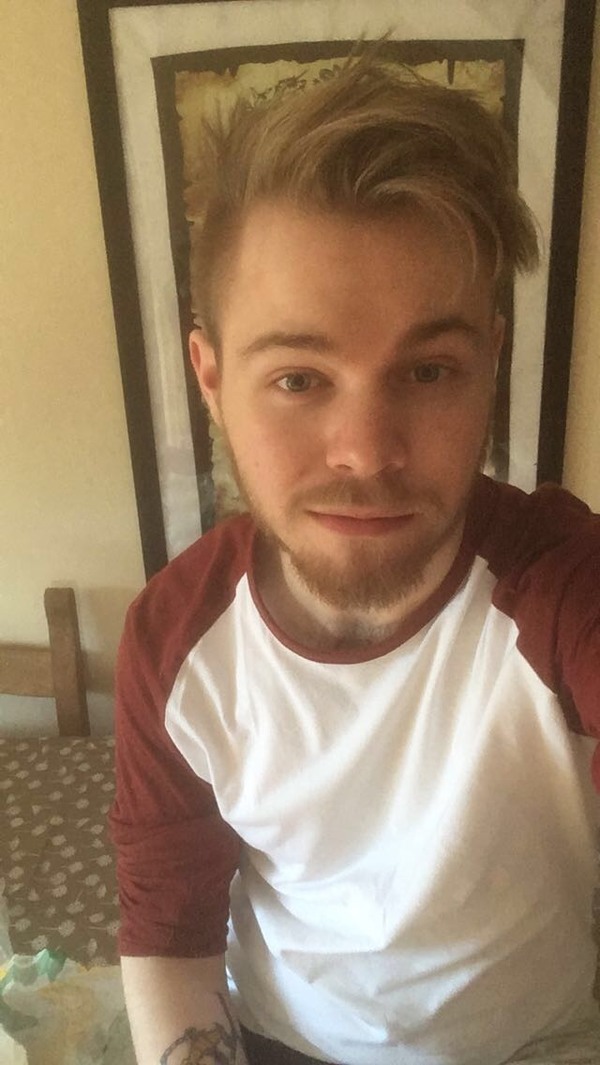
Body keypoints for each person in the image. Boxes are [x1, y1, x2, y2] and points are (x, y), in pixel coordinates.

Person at [109, 44, 600, 1065]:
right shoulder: (175, 640)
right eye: (299, 378)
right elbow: (170, 931)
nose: (368, 453)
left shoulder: (559, 584)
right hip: (281, 1042)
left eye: (428, 371)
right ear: (211, 378)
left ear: (490, 362)